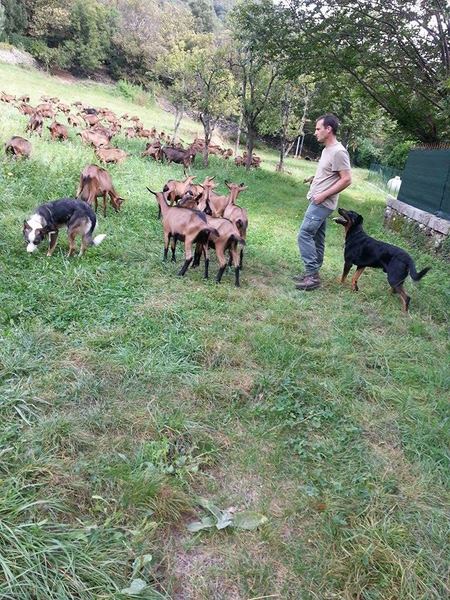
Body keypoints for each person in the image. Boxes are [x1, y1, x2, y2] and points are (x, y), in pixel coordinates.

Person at [295, 114, 352, 290]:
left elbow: (346, 179)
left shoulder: (339, 152)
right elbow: (329, 175)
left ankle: (312, 276)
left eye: (318, 128)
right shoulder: (327, 149)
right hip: (318, 200)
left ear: (329, 129)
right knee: (318, 238)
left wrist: (323, 194)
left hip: (322, 203)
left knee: (304, 235)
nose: (315, 132)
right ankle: (313, 271)